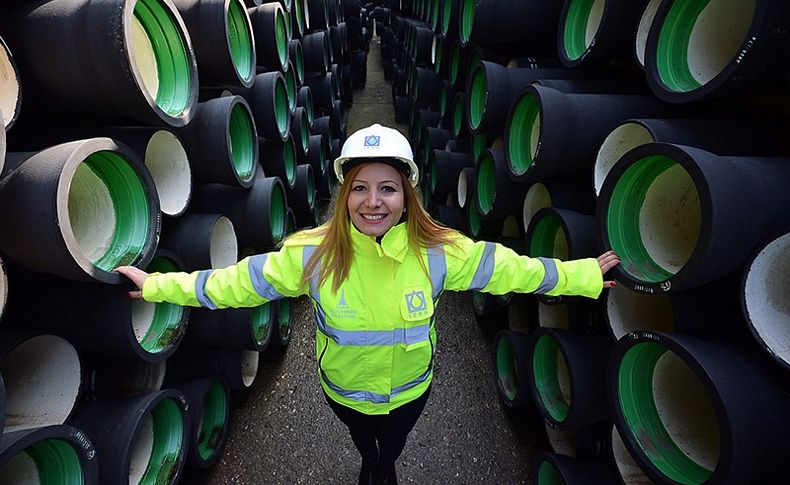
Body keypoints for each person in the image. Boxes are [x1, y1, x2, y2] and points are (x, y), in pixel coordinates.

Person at [117, 123, 620, 484]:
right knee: (364, 443)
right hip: (345, 395)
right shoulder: (311, 255)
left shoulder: (439, 254)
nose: (373, 202)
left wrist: (582, 275)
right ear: (344, 194)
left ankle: (385, 465)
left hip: (410, 394)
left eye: (387, 189)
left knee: (392, 447)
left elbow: (515, 269)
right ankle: (370, 461)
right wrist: (161, 286)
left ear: (407, 196)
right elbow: (232, 283)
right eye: (360, 188)